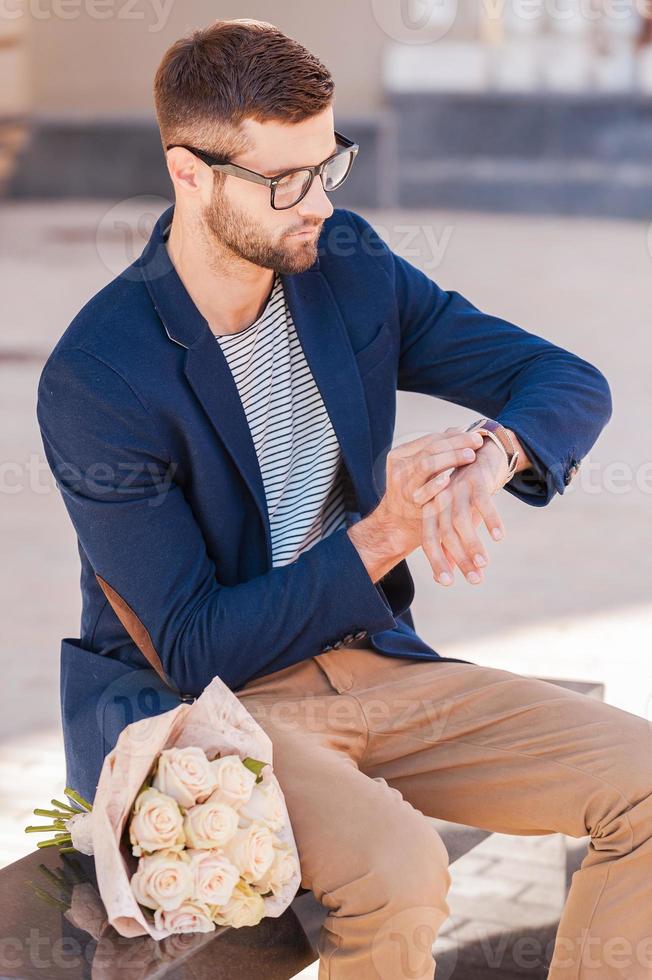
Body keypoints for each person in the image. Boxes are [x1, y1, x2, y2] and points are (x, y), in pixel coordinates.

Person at [36, 19, 651, 980]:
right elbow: (198, 645)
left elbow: (564, 377)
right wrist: (385, 535)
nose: (317, 201)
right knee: (398, 869)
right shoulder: (100, 375)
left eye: (329, 165)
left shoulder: (343, 266)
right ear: (189, 173)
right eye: (284, 181)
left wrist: (496, 449)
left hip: (371, 666)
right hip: (202, 710)